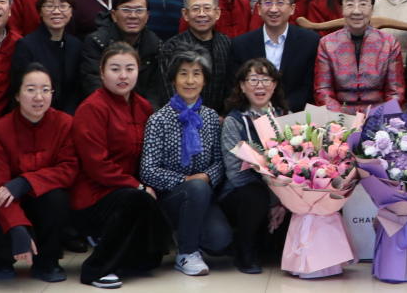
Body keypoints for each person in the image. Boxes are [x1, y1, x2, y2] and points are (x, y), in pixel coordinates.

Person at [70, 43, 170, 287]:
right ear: (102, 72)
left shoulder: (144, 106)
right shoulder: (92, 108)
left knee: (149, 202)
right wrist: (137, 186)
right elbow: (97, 165)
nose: (123, 76)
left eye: (130, 69)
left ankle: (132, 256)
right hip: (94, 194)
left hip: (130, 191)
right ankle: (96, 270)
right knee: (138, 200)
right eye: (115, 69)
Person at [0, 63, 76, 284]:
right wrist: (17, 227)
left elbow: (68, 169)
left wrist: (25, 182)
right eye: (30, 89)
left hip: (41, 203)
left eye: (45, 90)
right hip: (6, 206)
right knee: (6, 237)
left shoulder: (65, 124)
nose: (38, 97)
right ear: (17, 94)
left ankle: (48, 262)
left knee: (58, 197)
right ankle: (0, 259)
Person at [140, 51, 230, 276]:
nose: (190, 81)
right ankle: (186, 253)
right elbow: (147, 170)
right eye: (183, 74)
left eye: (196, 74)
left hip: (202, 194)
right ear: (173, 80)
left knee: (220, 240)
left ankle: (185, 232)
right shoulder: (158, 120)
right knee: (196, 187)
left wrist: (207, 176)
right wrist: (187, 180)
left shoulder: (211, 117)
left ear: (204, 80)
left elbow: (220, 162)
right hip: (169, 197)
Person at [220, 58, 289, 274]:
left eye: (266, 80)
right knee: (255, 194)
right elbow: (236, 174)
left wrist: (284, 202)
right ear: (242, 85)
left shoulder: (285, 118)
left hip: (281, 195)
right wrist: (274, 201)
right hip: (242, 195)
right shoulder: (233, 121)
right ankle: (245, 249)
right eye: (253, 80)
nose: (260, 86)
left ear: (274, 84)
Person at [314, 0, 404, 114]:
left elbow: (395, 92)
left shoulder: (389, 43)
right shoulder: (327, 44)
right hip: (338, 119)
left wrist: (375, 117)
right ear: (342, 9)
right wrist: (342, 118)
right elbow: (323, 90)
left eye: (363, 4)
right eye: (349, 4)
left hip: (379, 118)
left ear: (372, 8)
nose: (356, 11)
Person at [230, 0, 318, 112]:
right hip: (252, 114)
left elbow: (309, 87)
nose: (274, 9)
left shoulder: (310, 41)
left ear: (292, 8)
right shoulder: (240, 44)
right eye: (268, 3)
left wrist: (280, 111)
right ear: (259, 9)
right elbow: (236, 86)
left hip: (294, 114)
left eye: (280, 3)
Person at [80, 0, 165, 111]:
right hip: (106, 110)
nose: (133, 16)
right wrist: (120, 112)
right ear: (114, 15)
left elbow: (155, 90)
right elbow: (92, 82)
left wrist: (147, 115)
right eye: (126, 10)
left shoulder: (156, 45)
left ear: (147, 16)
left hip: (142, 112)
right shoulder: (96, 42)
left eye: (139, 10)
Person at [10, 0, 83, 115]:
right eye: (49, 6)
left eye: (63, 6)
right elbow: (20, 89)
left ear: (71, 11)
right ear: (40, 11)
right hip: (35, 114)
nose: (56, 11)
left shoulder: (76, 45)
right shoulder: (26, 45)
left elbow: (76, 90)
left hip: (69, 117)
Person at [158, 0, 232, 115]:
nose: (202, 14)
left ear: (217, 13)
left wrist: (222, 116)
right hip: (179, 118)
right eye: (196, 9)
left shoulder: (227, 44)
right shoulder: (172, 47)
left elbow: (232, 87)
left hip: (220, 120)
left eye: (207, 8)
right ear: (185, 14)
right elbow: (167, 90)